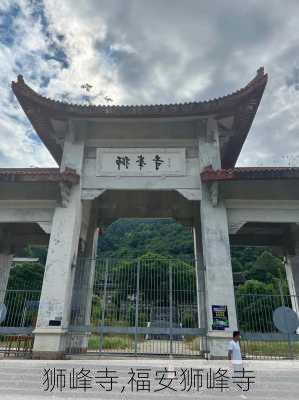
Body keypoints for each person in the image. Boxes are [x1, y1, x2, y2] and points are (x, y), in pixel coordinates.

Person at [228, 330, 247, 399]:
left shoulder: (237, 343)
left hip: (239, 363)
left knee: (240, 378)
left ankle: (240, 392)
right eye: (239, 335)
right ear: (236, 336)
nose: (240, 337)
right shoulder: (231, 343)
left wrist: (242, 363)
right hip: (235, 364)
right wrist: (230, 363)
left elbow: (239, 354)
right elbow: (229, 353)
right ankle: (240, 393)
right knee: (239, 378)